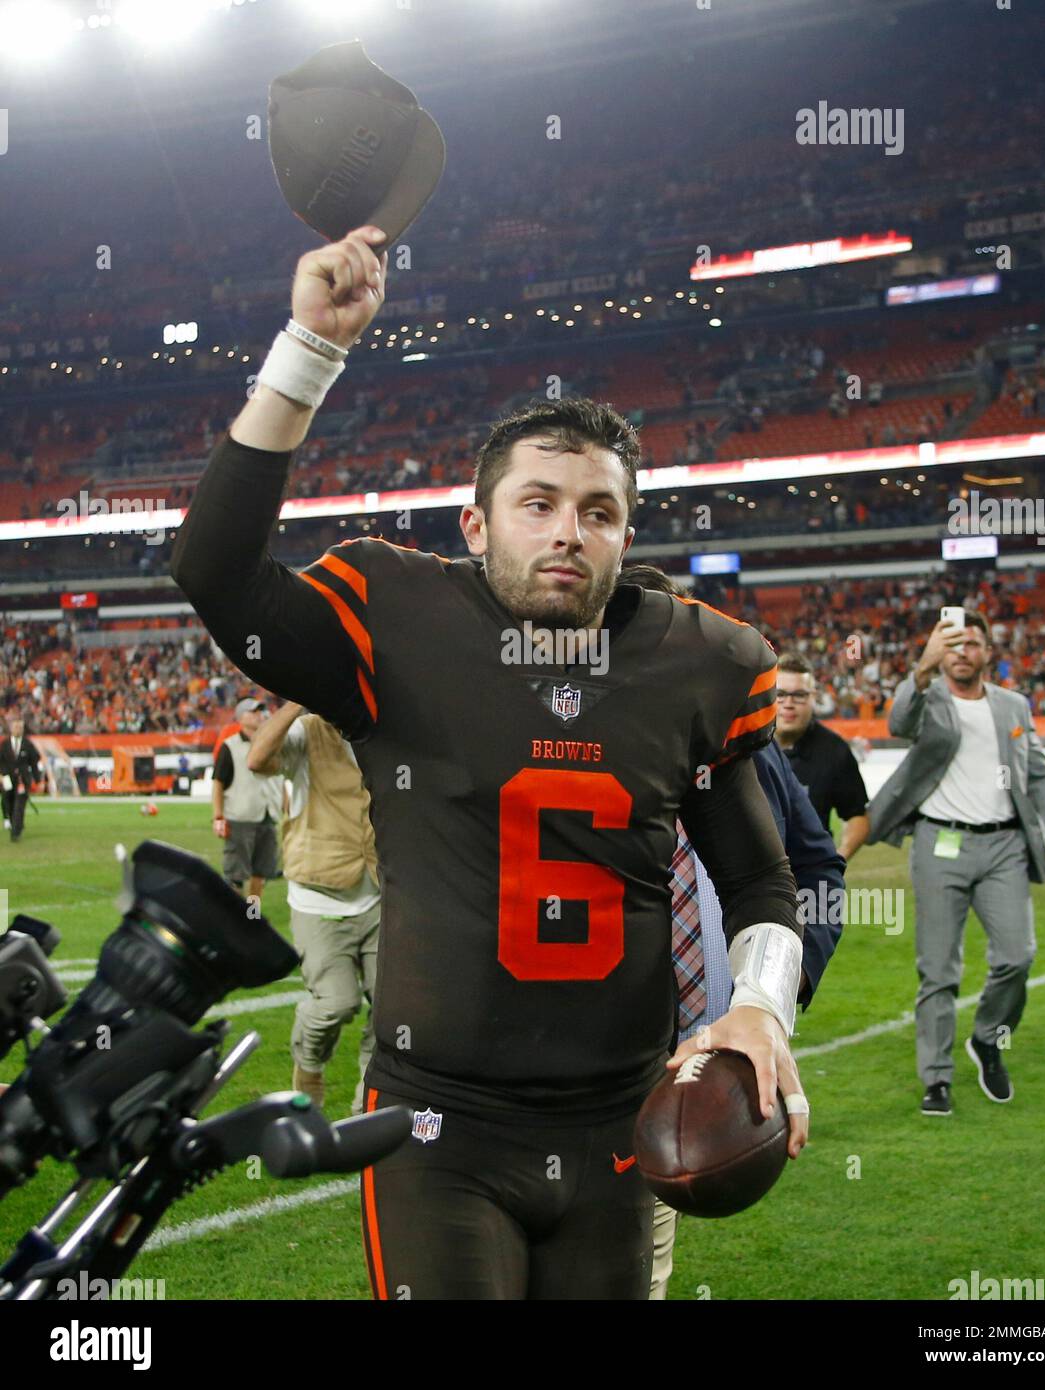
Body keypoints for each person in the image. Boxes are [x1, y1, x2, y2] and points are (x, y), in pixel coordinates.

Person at [170, 223, 809, 1301]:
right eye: (539, 503)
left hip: (621, 1123)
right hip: (438, 1126)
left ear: (625, 531)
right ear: (477, 523)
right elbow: (215, 569)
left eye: (599, 511)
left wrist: (760, 1005)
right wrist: (307, 351)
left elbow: (759, 879)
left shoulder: (697, 660)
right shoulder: (397, 618)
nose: (569, 531)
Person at [620, 566, 844, 1300]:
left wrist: (775, 990)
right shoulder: (559, 740)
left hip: (705, 1047)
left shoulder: (743, 740)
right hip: (586, 1043)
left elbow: (816, 868)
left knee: (639, 1272)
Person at [866, 613, 1045, 1116]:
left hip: (1005, 846)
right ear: (942, 651)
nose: (963, 652)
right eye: (954, 644)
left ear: (987, 652)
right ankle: (936, 1078)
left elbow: (1042, 775)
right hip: (940, 843)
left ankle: (987, 1038)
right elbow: (898, 723)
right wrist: (921, 669)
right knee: (938, 970)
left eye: (973, 644)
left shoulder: (1012, 705)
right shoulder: (928, 696)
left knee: (1018, 956)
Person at [247, 700, 380, 1115]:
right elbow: (258, 759)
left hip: (380, 892)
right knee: (336, 1003)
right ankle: (308, 1064)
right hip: (319, 895)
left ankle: (367, 1102)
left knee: (393, 1009)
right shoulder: (308, 731)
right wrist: (295, 702)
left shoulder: (385, 733)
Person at [774, 653, 871, 859]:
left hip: (811, 877)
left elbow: (856, 815)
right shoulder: (743, 747)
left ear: (814, 697)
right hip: (752, 880)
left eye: (799, 694)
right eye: (780, 694)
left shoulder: (834, 750)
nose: (788, 703)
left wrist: (837, 860)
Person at [211, 697, 283, 899]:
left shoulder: (273, 743)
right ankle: (236, 920)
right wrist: (218, 815)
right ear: (241, 717)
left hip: (268, 815)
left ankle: (252, 915)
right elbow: (218, 783)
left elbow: (278, 778)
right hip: (240, 817)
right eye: (254, 712)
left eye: (261, 711)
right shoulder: (230, 746)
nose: (260, 715)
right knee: (236, 874)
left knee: (260, 874)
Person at [0, 714, 41, 842]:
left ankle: (16, 832)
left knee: (19, 804)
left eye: (20, 727)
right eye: (16, 727)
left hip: (23, 779)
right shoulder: (5, 744)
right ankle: (14, 823)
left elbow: (34, 762)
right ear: (11, 728)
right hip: (7, 778)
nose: (18, 729)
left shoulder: (28, 744)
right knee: (8, 802)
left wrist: (38, 779)